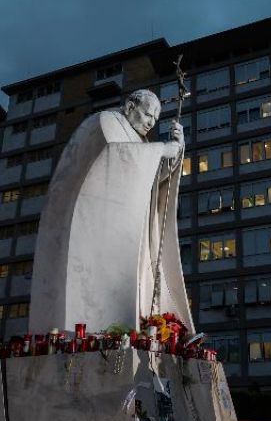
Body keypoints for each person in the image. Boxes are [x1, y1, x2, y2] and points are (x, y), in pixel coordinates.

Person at [29, 89, 192, 334]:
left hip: (132, 229)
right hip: (100, 230)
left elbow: (153, 179)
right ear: (130, 106)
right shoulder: (104, 122)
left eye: (154, 121)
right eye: (147, 115)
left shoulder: (140, 140)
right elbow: (113, 157)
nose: (150, 123)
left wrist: (175, 152)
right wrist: (160, 150)